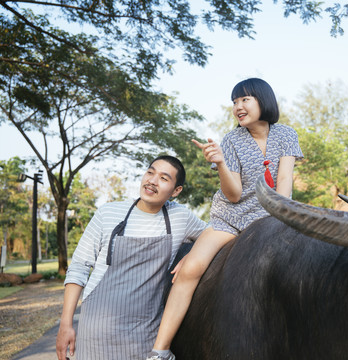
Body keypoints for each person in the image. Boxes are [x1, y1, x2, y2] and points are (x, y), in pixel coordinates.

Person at [146, 78, 303, 360]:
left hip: (271, 216)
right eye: (234, 102)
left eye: (244, 99)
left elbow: (284, 181)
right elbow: (233, 194)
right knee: (191, 268)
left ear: (263, 100)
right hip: (231, 219)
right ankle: (160, 350)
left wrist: (280, 219)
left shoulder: (286, 135)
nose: (238, 107)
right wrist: (219, 162)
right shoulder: (231, 140)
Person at [56, 155, 207, 360]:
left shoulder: (180, 217)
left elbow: (217, 234)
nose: (152, 181)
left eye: (163, 178)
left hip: (146, 336)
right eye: (150, 172)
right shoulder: (108, 213)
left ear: (176, 191)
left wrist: (192, 254)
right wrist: (66, 324)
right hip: (96, 332)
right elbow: (79, 267)